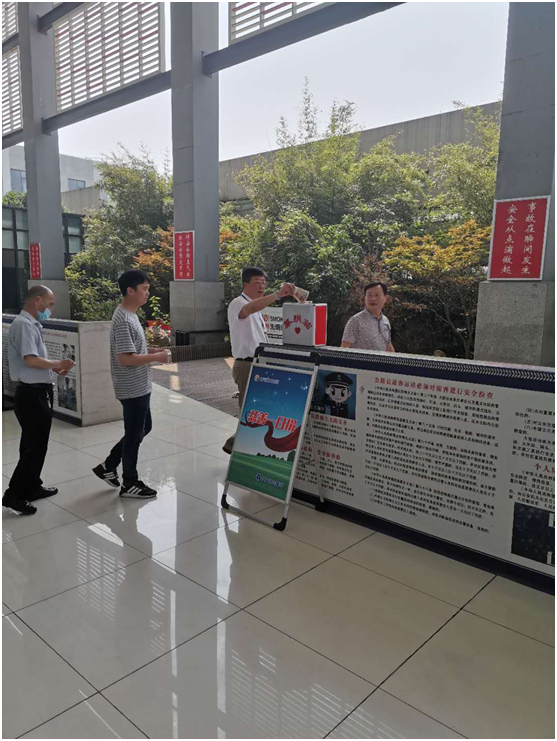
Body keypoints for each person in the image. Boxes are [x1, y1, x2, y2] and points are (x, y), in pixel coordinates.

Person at [92, 270, 170, 498]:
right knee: (135, 433)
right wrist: (156, 357)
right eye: (144, 289)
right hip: (131, 387)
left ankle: (108, 466)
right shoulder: (124, 319)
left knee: (143, 428)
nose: (147, 293)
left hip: (139, 384)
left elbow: (134, 349)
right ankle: (130, 483)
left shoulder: (131, 315)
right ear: (130, 290)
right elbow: (125, 359)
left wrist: (152, 351)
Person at [2, 285, 75, 515]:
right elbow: (31, 360)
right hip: (31, 394)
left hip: (37, 390)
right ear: (37, 301)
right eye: (49, 304)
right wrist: (59, 363)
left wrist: (55, 369)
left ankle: (32, 486)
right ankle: (14, 495)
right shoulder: (24, 325)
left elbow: (36, 362)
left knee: (36, 444)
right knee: (33, 447)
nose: (50, 309)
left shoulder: (32, 324)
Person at [222, 267, 297, 454]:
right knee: (250, 409)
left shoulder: (257, 308)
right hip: (246, 364)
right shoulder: (238, 303)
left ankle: (239, 445)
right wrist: (277, 295)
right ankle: (239, 447)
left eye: (263, 283)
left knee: (257, 409)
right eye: (257, 283)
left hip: (259, 363)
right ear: (245, 284)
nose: (261, 286)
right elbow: (248, 309)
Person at [341, 281, 395, 352]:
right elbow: (343, 349)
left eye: (377, 295)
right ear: (365, 298)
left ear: (385, 298)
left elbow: (387, 344)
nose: (373, 299)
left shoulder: (385, 321)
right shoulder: (355, 321)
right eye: (369, 295)